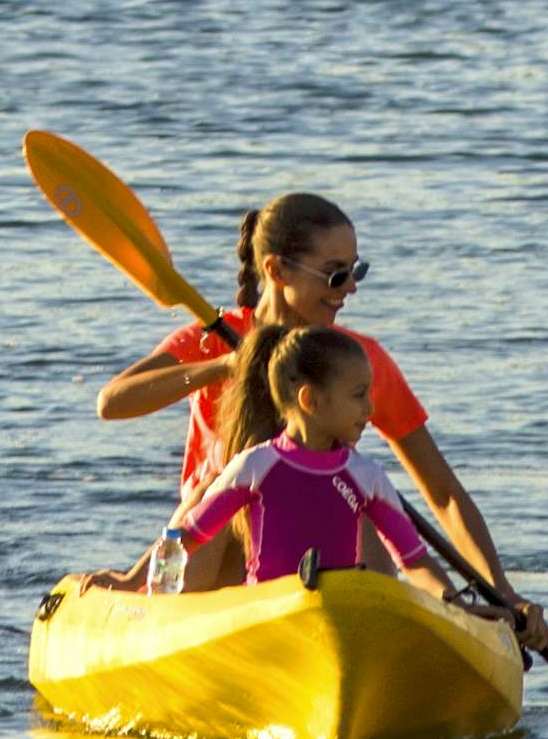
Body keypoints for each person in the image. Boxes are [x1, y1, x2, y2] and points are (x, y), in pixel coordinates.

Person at [91, 190, 525, 597]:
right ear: (277, 271)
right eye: (336, 275)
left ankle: (368, 629)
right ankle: (160, 598)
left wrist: (501, 592)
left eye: (356, 272)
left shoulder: (357, 360)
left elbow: (443, 492)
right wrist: (220, 368)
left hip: (323, 541)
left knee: (357, 494)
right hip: (218, 543)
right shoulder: (211, 340)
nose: (350, 288)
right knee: (214, 483)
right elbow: (114, 402)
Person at [141, 322, 455, 596]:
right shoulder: (255, 467)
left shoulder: (367, 477)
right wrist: (154, 594)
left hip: (337, 611)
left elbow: (414, 560)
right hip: (268, 614)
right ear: (311, 399)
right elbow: (186, 538)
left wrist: (458, 608)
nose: (370, 409)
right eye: (359, 394)